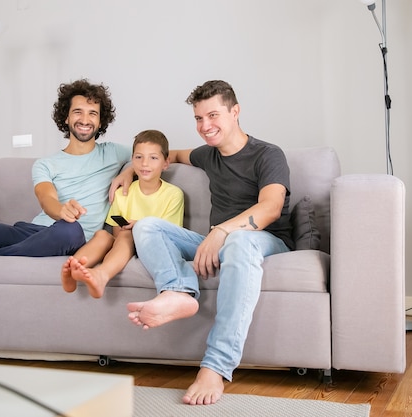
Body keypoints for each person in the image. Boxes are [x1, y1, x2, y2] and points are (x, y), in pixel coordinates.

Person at [125, 80, 294, 406]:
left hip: (266, 241)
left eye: (213, 115)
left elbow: (270, 208)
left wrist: (220, 232)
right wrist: (125, 172)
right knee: (146, 227)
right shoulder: (208, 155)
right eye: (198, 119)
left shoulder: (268, 154)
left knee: (240, 243)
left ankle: (216, 366)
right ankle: (178, 291)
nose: (205, 126)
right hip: (219, 239)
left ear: (235, 112)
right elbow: (167, 154)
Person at [0, 79, 132, 258]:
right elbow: (46, 197)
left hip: (71, 236)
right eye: (78, 112)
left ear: (100, 121)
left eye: (92, 113)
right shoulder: (45, 164)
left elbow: (162, 154)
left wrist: (129, 171)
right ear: (67, 117)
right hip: (33, 230)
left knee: (69, 229)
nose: (85, 119)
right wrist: (60, 210)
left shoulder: (113, 153)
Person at [61, 129, 185, 298]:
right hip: (121, 243)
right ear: (132, 160)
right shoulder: (122, 193)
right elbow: (116, 231)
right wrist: (125, 228)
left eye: (153, 158)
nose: (145, 163)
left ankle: (102, 274)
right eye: (139, 157)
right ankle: (74, 268)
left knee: (127, 235)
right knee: (102, 235)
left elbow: (171, 235)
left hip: (152, 246)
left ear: (165, 163)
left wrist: (138, 226)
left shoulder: (173, 194)